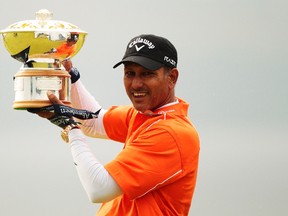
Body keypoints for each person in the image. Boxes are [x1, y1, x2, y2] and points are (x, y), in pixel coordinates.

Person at [29, 34, 200, 216]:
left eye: (147, 74)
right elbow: (94, 122)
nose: (136, 84)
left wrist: (70, 127)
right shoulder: (145, 115)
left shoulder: (171, 133)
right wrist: (70, 74)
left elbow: (98, 188)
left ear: (172, 77)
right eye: (129, 74)